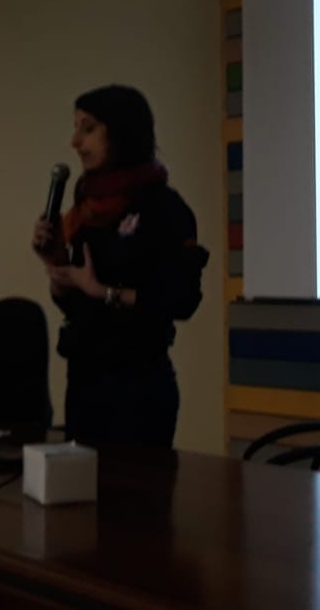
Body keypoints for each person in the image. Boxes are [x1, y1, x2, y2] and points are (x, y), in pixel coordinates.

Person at [31, 85, 208, 448]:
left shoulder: (164, 208)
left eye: (88, 129)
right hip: (84, 380)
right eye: (76, 128)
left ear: (121, 132)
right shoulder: (84, 210)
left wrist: (104, 291)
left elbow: (181, 300)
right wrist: (57, 272)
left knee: (136, 486)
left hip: (138, 388)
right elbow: (76, 302)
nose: (75, 142)